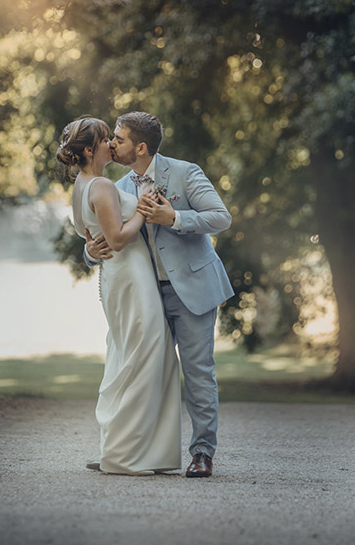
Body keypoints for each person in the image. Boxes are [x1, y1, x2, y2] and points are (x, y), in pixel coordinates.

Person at [85, 111, 233, 478]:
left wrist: (174, 219)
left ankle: (202, 453)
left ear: (141, 146)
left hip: (192, 290)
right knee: (140, 372)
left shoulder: (184, 172)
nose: (111, 144)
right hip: (145, 296)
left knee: (198, 373)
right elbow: (104, 236)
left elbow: (220, 217)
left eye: (117, 139)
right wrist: (89, 253)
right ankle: (133, 452)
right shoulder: (115, 186)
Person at [57, 116, 181, 476]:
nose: (112, 143)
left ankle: (136, 450)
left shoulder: (83, 186)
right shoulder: (103, 187)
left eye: (114, 137)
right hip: (131, 277)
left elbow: (90, 237)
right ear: (89, 149)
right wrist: (143, 210)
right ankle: (126, 454)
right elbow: (117, 239)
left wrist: (93, 249)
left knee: (133, 354)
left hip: (119, 277)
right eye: (105, 138)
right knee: (144, 354)